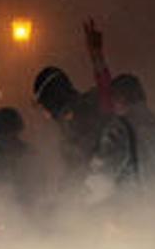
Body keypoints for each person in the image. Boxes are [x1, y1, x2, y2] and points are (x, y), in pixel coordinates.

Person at [85, 73, 155, 208]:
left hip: (138, 219)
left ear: (119, 99)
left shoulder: (120, 130)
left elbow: (102, 176)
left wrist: (82, 202)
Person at [33, 19, 113, 193]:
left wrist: (97, 57)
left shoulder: (82, 111)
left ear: (49, 99)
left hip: (103, 201)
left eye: (41, 106)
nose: (43, 114)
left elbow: (107, 92)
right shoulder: (70, 118)